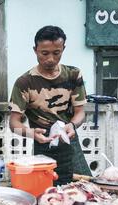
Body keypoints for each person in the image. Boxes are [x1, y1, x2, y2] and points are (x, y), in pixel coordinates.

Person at [9, 26, 91, 185]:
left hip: (69, 139)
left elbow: (80, 112)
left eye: (56, 53)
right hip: (42, 141)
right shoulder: (24, 82)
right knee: (46, 192)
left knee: (83, 188)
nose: (51, 59)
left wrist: (72, 126)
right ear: (35, 50)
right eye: (44, 53)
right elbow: (14, 124)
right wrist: (31, 133)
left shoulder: (74, 74)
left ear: (63, 49)